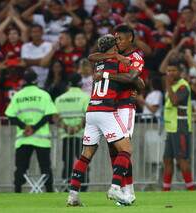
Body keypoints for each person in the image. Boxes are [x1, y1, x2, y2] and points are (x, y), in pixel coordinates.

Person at [67, 34, 132, 206]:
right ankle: (116, 188)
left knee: (85, 155)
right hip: (106, 110)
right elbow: (130, 77)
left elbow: (92, 56)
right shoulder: (117, 62)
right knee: (125, 149)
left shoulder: (99, 63)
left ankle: (73, 195)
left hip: (92, 111)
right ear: (114, 47)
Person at [88, 24, 145, 204]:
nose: (117, 41)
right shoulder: (114, 56)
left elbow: (132, 79)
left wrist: (106, 75)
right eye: (116, 38)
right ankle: (125, 191)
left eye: (121, 38)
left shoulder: (135, 57)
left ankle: (123, 190)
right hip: (111, 107)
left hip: (125, 106)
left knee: (124, 147)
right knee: (114, 149)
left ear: (130, 39)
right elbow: (91, 57)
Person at [5, 68, 58, 193]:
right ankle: (49, 190)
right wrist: (34, 128)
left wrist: (25, 127)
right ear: (36, 81)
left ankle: (17, 191)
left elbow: (10, 115)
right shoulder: (43, 94)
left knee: (20, 168)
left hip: (23, 137)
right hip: (41, 138)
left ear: (24, 80)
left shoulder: (18, 96)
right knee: (45, 167)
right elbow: (49, 115)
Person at [162, 58, 194, 191]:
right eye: (168, 71)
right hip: (171, 128)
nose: (170, 73)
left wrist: (168, 85)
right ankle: (166, 190)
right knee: (167, 159)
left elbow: (175, 101)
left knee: (181, 160)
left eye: (173, 70)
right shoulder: (172, 86)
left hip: (180, 127)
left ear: (180, 72)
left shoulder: (183, 86)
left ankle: (191, 191)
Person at [54, 73, 90, 190]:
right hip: (81, 136)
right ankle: (83, 188)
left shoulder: (59, 99)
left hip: (66, 136)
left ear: (68, 84)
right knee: (83, 163)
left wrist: (66, 128)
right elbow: (88, 115)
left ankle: (66, 187)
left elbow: (55, 117)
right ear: (81, 84)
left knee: (67, 164)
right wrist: (77, 127)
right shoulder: (85, 97)